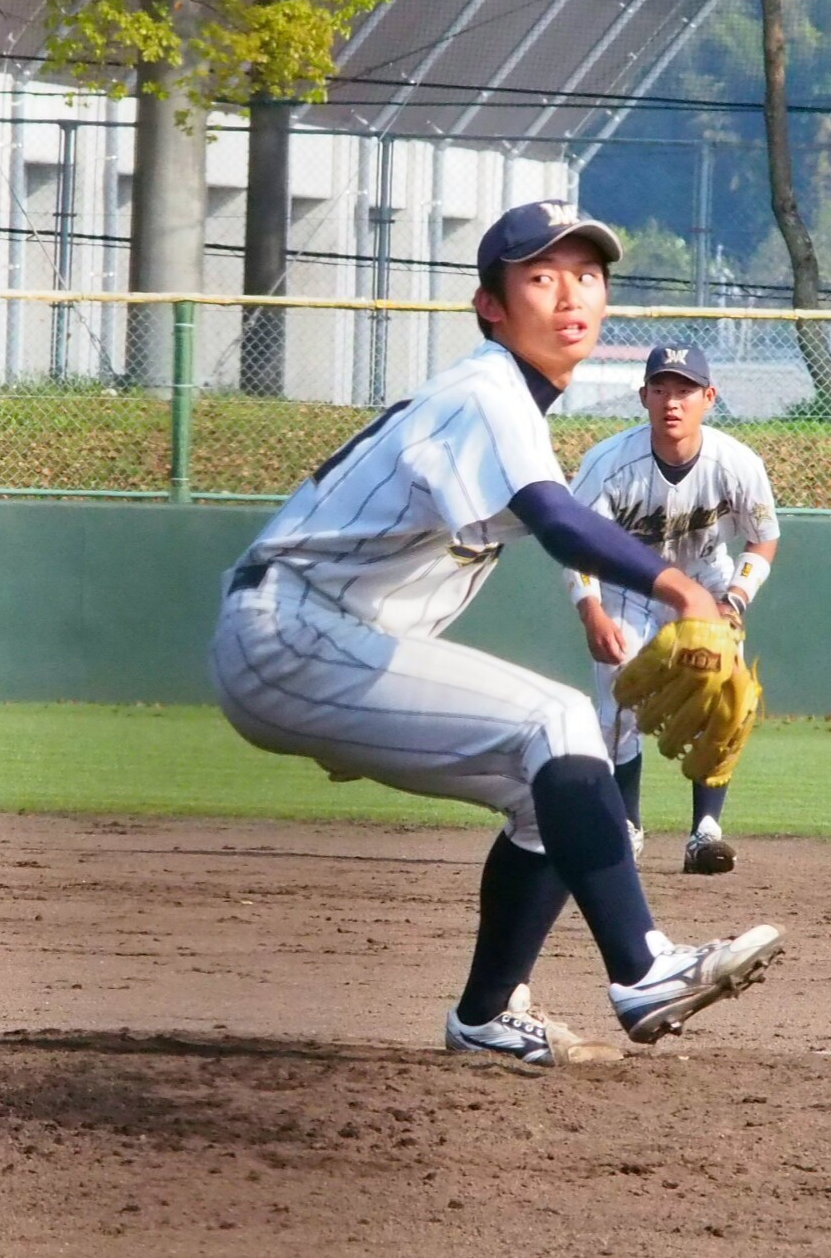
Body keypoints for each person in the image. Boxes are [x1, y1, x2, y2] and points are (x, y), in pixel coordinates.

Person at [209, 200, 784, 1067]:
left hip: (333, 640)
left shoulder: (503, 400)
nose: (569, 295)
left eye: (586, 275)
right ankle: (645, 969)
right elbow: (553, 519)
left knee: (545, 795)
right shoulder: (487, 390)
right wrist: (678, 587)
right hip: (289, 628)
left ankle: (484, 1014)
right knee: (558, 722)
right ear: (491, 305)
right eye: (540, 276)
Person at [566, 344, 779, 875]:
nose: (672, 402)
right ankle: (626, 828)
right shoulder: (609, 462)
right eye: (660, 389)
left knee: (724, 701)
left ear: (709, 397)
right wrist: (589, 608)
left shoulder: (736, 463)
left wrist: (735, 599)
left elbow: (764, 540)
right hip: (625, 586)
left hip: (706, 586)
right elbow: (574, 541)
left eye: (685, 390)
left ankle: (705, 833)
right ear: (643, 396)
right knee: (619, 702)